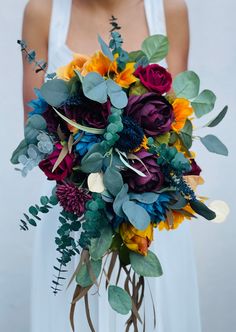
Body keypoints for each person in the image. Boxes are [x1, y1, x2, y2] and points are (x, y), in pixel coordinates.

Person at [22, 0, 202, 331]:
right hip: (74, 221)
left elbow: (178, 126)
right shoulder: (43, 12)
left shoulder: (170, 9)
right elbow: (38, 136)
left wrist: (141, 174)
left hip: (150, 222)